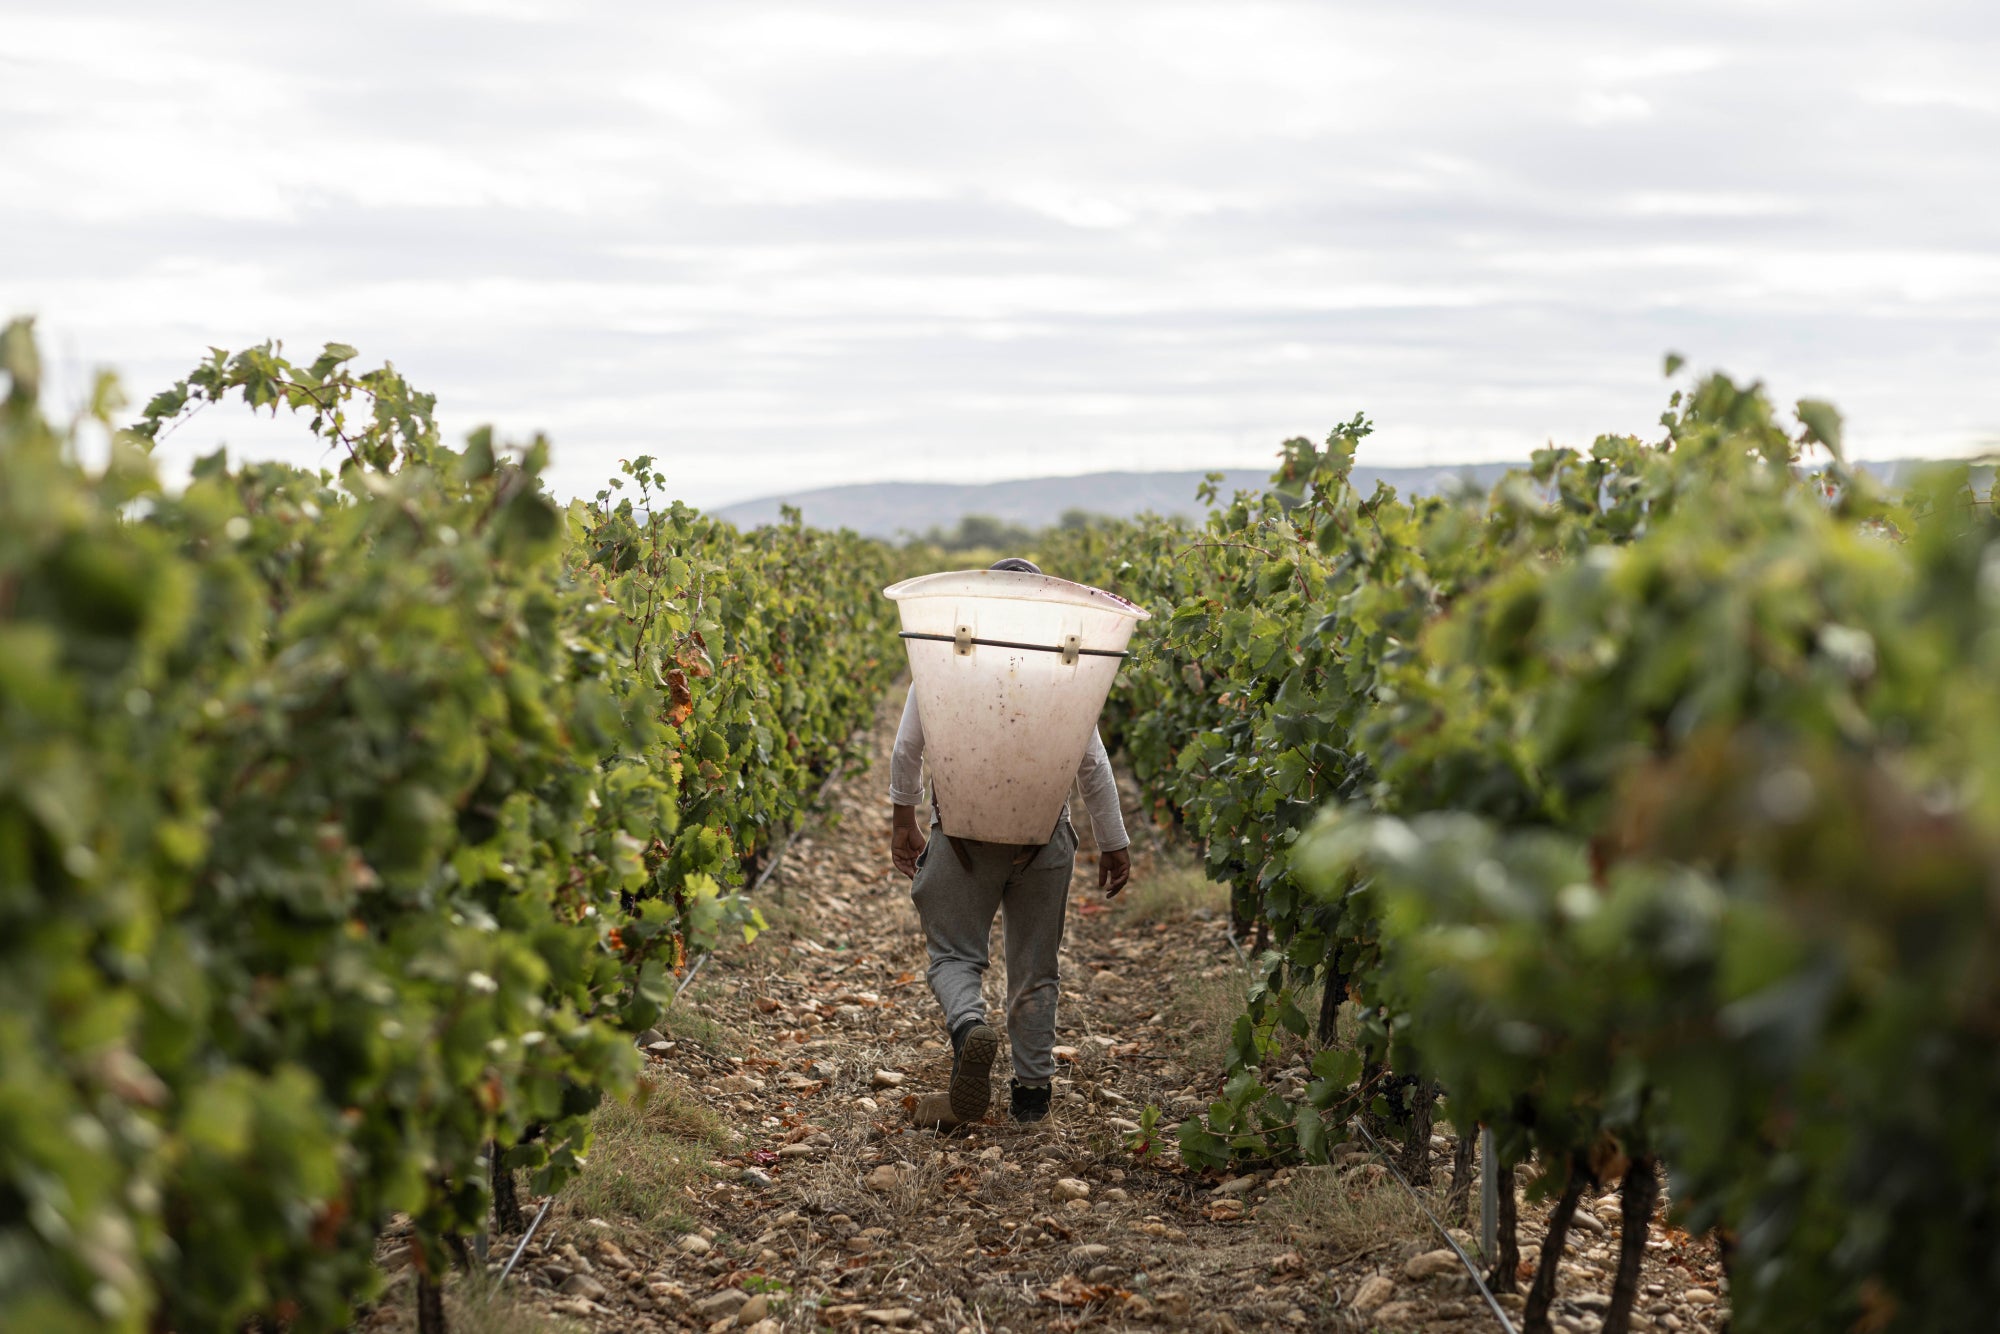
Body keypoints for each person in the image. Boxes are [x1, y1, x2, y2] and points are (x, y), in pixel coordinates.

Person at [889, 557, 1133, 1127]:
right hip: (1044, 841)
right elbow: (1092, 765)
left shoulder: (945, 663)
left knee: (953, 954)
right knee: (1035, 969)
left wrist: (903, 818)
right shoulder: (1063, 672)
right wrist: (1113, 841)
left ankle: (970, 1026)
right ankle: (1031, 1099)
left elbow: (906, 749)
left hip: (963, 840)